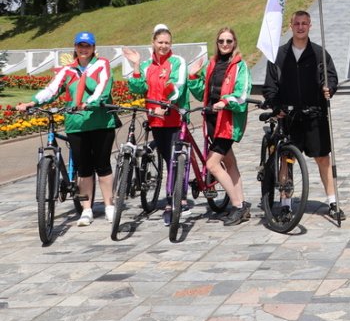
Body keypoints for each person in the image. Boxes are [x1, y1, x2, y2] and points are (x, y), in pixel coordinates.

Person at [17, 31, 117, 226]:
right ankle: (86, 210)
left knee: (103, 166)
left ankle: (109, 206)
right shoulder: (68, 70)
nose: (84, 49)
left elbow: (103, 88)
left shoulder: (101, 64)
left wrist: (89, 102)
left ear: (94, 48)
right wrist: (32, 102)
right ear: (75, 47)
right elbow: (52, 89)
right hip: (76, 124)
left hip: (100, 122)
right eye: (80, 45)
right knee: (84, 168)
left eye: (87, 46)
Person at [263, 10, 344, 219]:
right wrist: (276, 106)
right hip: (289, 117)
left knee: (323, 159)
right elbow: (270, 87)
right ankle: (286, 203)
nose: (301, 27)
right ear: (291, 26)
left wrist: (330, 88)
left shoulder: (319, 53)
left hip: (315, 114)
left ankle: (333, 202)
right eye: (297, 23)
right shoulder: (279, 55)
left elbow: (331, 77)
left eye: (304, 23)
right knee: (286, 159)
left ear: (310, 26)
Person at [123, 24, 190, 225]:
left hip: (175, 118)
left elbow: (178, 85)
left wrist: (167, 106)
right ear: (153, 42)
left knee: (176, 160)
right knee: (166, 157)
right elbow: (137, 88)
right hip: (156, 120)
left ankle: (176, 199)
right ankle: (173, 195)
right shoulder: (146, 66)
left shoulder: (177, 61)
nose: (163, 46)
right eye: (160, 42)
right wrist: (135, 66)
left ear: (171, 44)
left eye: (167, 42)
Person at [188, 27, 252, 225]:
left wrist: (225, 102)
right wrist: (192, 77)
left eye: (229, 41)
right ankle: (242, 203)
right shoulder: (212, 64)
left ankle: (237, 206)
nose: (225, 44)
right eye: (221, 41)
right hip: (212, 121)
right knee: (230, 163)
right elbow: (203, 94)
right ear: (217, 43)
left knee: (212, 164)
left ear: (234, 43)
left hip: (228, 122)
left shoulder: (240, 66)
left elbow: (242, 94)